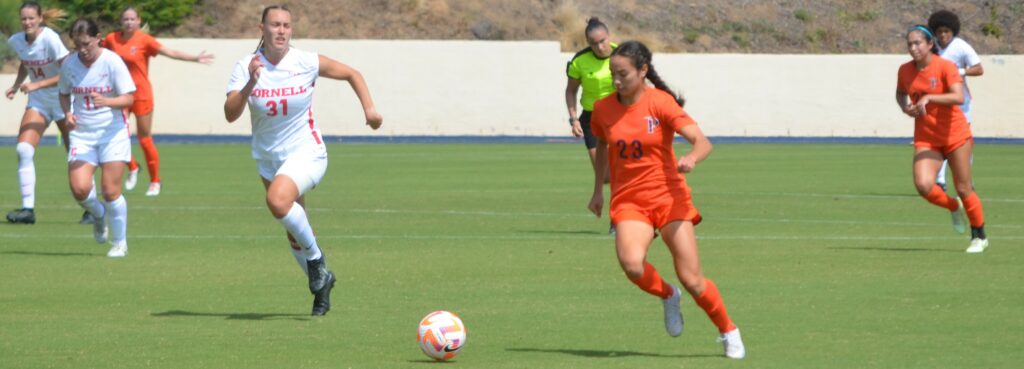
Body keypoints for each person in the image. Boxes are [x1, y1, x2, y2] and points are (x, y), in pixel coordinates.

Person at [587, 41, 745, 359]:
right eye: (613, 74)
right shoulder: (603, 109)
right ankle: (667, 294)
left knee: (693, 279)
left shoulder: (661, 103)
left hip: (669, 197)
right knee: (632, 264)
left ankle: (728, 330)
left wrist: (692, 159)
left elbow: (702, 142)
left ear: (643, 71)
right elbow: (602, 146)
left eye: (623, 74)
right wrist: (597, 189)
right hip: (629, 200)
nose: (617, 81)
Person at [223, 5, 383, 316]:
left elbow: (353, 73)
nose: (281, 31)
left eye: (286, 25)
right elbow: (230, 114)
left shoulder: (305, 61)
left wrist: (370, 110)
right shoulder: (246, 67)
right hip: (269, 159)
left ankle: (318, 263)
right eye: (275, 25)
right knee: (294, 230)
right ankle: (322, 285)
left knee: (278, 201)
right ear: (262, 29)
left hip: (306, 152)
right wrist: (251, 83)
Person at [103, 6, 215, 197]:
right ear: (121, 22)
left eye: (132, 19)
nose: (129, 22)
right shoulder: (111, 39)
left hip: (142, 95)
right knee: (116, 136)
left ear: (139, 21)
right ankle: (133, 166)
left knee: (145, 139)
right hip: (120, 96)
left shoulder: (144, 40)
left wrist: (195, 58)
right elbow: (96, 55)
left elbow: (170, 52)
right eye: (125, 19)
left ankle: (155, 181)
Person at [895, 25, 988, 253]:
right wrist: (905, 107)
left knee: (964, 187)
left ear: (929, 45)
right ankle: (952, 206)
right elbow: (900, 92)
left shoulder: (945, 66)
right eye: (910, 43)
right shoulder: (905, 70)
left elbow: (958, 96)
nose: (913, 47)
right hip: (927, 137)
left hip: (955, 135)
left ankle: (979, 235)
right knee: (924, 185)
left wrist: (929, 98)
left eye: (918, 43)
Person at [58, 17, 137, 258]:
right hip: (82, 134)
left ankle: (120, 242)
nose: (83, 50)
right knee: (80, 189)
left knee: (110, 190)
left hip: (112, 133)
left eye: (87, 44)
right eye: (78, 45)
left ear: (97, 38)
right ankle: (98, 214)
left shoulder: (112, 62)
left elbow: (129, 98)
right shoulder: (70, 64)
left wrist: (108, 101)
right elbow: (63, 93)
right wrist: (68, 113)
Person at [5, 1, 70, 224]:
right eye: (24, 18)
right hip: (39, 103)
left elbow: (69, 72)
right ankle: (28, 210)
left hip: (63, 100)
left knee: (76, 155)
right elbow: (27, 62)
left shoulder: (50, 38)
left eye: (32, 18)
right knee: (23, 149)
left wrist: (37, 85)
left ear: (40, 18)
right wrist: (16, 85)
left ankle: (91, 207)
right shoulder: (16, 40)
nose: (27, 22)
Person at [565, 17, 616, 234]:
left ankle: (618, 219)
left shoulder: (623, 55)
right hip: (591, 120)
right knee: (604, 175)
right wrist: (573, 118)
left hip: (618, 117)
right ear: (587, 42)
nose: (600, 47)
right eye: (594, 43)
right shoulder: (579, 61)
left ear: (609, 36)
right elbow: (571, 91)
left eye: (603, 41)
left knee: (619, 170)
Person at [927, 10, 983, 192]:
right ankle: (940, 180)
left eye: (946, 31)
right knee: (939, 141)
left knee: (964, 143)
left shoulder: (961, 46)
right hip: (939, 102)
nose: (943, 35)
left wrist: (960, 71)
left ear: (953, 31)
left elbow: (979, 68)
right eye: (939, 31)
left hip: (961, 103)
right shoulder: (932, 47)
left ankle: (967, 180)